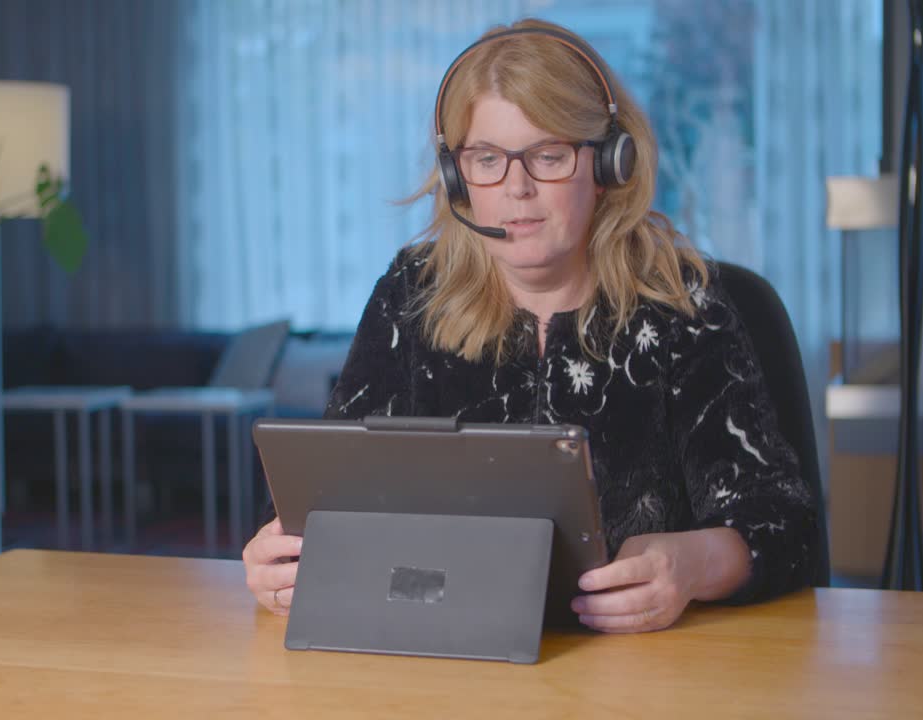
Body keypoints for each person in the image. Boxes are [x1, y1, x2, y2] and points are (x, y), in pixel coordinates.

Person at [243, 18, 817, 633]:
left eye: (548, 155)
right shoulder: (410, 297)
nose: (517, 188)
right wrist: (278, 559)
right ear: (459, 178)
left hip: (640, 675)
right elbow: (325, 503)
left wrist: (698, 562)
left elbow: (783, 524)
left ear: (607, 164)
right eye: (487, 159)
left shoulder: (682, 303)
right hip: (447, 659)